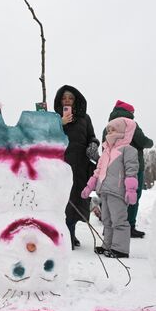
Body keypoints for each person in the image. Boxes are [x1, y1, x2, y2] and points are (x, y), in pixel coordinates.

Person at [81, 118, 139, 258]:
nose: (110, 132)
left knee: (119, 219)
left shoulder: (128, 150)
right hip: (104, 191)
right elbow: (98, 171)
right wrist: (90, 186)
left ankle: (120, 249)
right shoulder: (106, 151)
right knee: (106, 220)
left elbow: (131, 170)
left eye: (113, 129)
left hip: (118, 191)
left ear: (122, 131)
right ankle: (108, 245)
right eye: (108, 130)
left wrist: (131, 190)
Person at [54, 85, 100, 250]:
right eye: (64, 98)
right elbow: (46, 136)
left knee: (77, 199)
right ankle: (66, 236)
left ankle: (70, 233)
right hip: (61, 164)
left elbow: (92, 137)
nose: (67, 100)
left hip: (80, 165)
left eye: (70, 98)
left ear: (76, 100)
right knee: (64, 201)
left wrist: (93, 145)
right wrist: (60, 123)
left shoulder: (84, 118)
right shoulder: (54, 118)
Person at [102, 100, 153, 238]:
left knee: (114, 196)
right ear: (129, 112)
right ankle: (129, 226)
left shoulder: (108, 127)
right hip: (134, 167)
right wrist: (150, 143)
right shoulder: (131, 125)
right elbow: (144, 141)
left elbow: (104, 147)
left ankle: (110, 226)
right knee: (133, 195)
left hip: (113, 168)